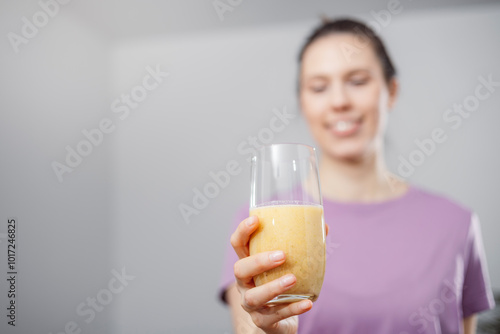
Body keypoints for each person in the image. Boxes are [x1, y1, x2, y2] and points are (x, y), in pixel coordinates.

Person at [219, 18, 495, 334]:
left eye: (358, 81)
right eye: (319, 87)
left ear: (391, 91)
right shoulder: (257, 223)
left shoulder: (456, 224)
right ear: (303, 102)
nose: (339, 102)